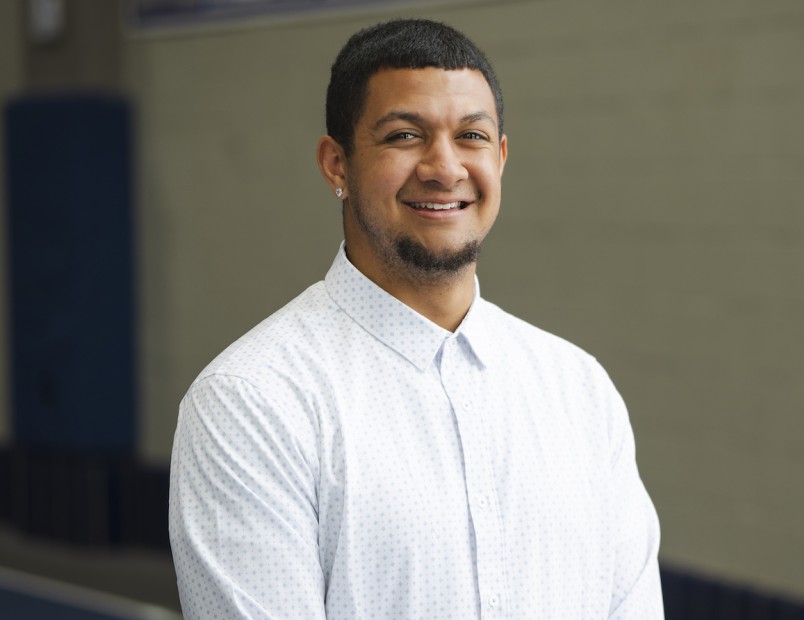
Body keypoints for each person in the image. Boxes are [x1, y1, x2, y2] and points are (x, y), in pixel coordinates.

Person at [167, 18, 662, 619]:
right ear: (336, 165)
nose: (444, 167)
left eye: (472, 136)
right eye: (405, 135)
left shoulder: (579, 390)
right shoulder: (252, 403)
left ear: (501, 158)